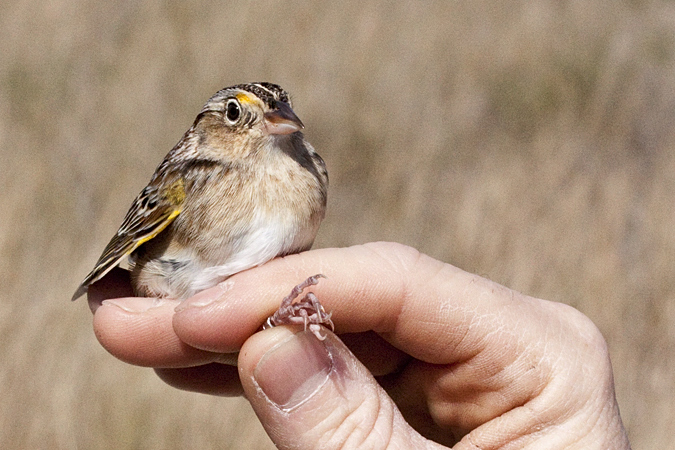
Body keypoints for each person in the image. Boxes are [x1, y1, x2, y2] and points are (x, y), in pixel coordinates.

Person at [88, 242, 631, 449]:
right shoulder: (194, 178)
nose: (268, 121)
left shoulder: (307, 175)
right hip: (187, 297)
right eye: (236, 114)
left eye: (281, 109)